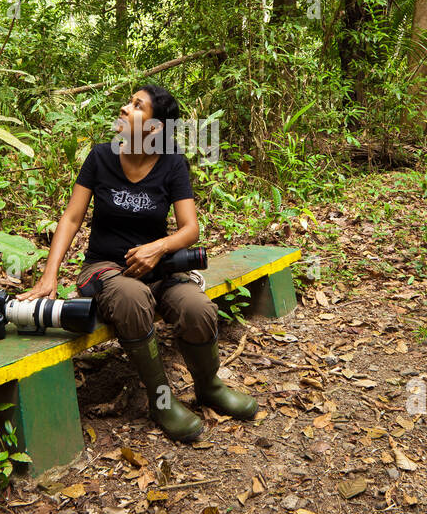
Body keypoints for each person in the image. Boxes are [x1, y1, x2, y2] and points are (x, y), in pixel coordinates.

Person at [17, 84, 256, 441]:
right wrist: (48, 278)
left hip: (158, 269)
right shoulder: (100, 157)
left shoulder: (173, 164)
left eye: (137, 106)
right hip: (105, 269)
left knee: (197, 308)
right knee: (131, 298)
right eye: (129, 102)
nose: (125, 109)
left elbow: (190, 229)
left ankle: (209, 387)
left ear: (155, 128)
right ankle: (161, 400)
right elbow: (70, 219)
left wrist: (157, 248)